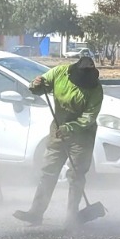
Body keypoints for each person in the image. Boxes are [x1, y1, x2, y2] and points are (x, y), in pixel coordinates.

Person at [14, 53, 105, 227]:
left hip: (82, 137)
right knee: (48, 170)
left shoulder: (95, 89)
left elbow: (89, 117)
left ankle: (72, 218)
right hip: (58, 130)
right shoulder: (59, 73)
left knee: (76, 175)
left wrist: (70, 128)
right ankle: (36, 213)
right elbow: (40, 87)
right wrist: (36, 84)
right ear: (74, 73)